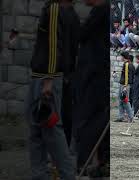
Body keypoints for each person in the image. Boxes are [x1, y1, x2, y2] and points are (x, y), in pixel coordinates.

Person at [26, 0, 79, 179]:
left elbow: (53, 45)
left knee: (52, 130)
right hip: (39, 76)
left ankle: (67, 175)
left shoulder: (55, 8)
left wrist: (49, 79)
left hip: (46, 78)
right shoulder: (52, 7)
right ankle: (40, 175)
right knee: (35, 130)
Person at [72, 0, 109, 177]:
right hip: (95, 76)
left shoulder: (101, 12)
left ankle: (89, 162)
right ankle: (99, 162)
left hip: (94, 77)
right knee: (95, 119)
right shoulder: (101, 11)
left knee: (89, 121)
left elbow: (81, 34)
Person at [115, 51, 135, 123]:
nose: (120, 58)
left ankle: (131, 117)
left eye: (121, 56)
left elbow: (127, 76)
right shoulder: (130, 64)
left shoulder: (126, 64)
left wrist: (125, 86)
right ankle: (121, 117)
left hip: (124, 85)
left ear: (123, 57)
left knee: (125, 101)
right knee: (121, 100)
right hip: (124, 84)